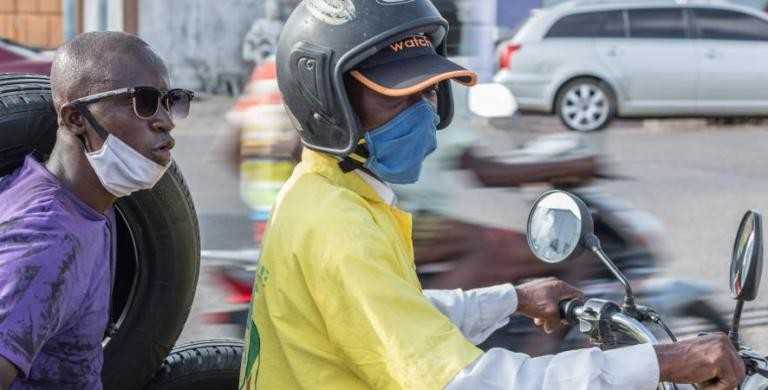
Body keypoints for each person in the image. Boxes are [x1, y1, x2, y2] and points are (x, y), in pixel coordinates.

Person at [239, 1, 745, 389]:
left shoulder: (326, 193)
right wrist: (667, 360)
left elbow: (395, 315)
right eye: (401, 97)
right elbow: (472, 381)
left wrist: (514, 298)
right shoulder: (339, 227)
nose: (425, 113)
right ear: (329, 101)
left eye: (429, 93)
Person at [0, 31, 193, 389]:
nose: (166, 120)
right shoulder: (47, 243)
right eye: (144, 101)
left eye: (171, 100)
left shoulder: (87, 204)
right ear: (76, 119)